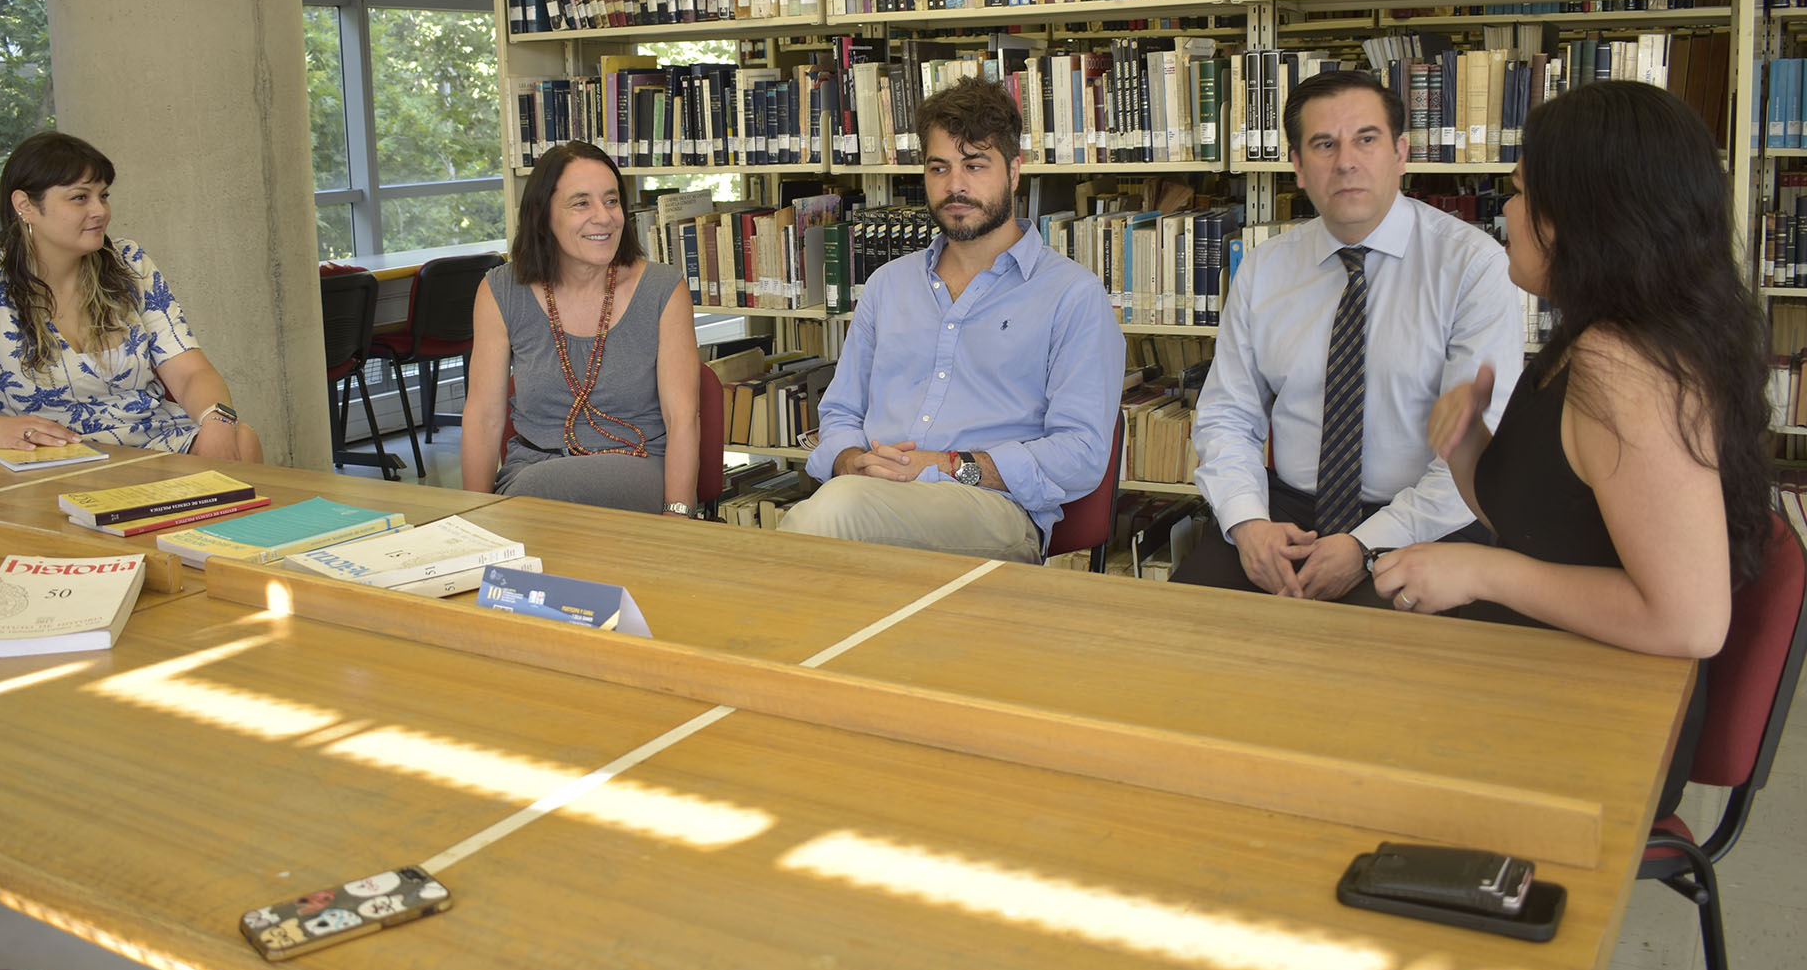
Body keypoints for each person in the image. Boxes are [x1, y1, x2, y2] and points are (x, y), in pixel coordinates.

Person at [1370, 81, 1771, 807]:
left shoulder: (1625, 368)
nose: (1507, 211)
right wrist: (1466, 445)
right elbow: (1544, 523)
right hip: (1543, 665)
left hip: (1601, 718)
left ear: (1578, 216)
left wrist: (1481, 574)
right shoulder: (1587, 336)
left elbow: (1690, 619)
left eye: (1522, 191)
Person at [1177, 69, 1522, 605]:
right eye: (1323, 144)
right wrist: (1248, 523)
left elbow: (1480, 453)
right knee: (1181, 636)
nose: (1346, 162)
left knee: (1372, 673)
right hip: (1288, 518)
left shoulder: (1471, 266)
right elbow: (1227, 415)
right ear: (1296, 166)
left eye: (1366, 139)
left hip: (1421, 524)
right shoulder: (1264, 268)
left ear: (1400, 152)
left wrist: (1366, 545)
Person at [779, 75, 1124, 562]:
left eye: (975, 166)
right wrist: (850, 459)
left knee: (830, 517)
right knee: (839, 512)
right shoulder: (887, 285)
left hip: (993, 510)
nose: (955, 185)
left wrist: (947, 466)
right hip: (870, 492)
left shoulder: (1072, 296)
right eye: (939, 168)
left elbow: (1082, 452)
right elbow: (841, 412)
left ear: (1015, 171)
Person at [0, 132, 261, 461]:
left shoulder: (130, 265)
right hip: (58, 459)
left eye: (103, 195)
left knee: (241, 439)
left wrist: (217, 420)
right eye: (80, 198)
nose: (100, 211)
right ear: (25, 205)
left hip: (155, 443)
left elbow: (191, 372)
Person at [462, 140, 700, 514]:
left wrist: (678, 515)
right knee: (530, 497)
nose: (604, 217)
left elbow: (683, 417)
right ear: (543, 215)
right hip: (533, 468)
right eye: (581, 203)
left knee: (530, 500)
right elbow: (483, 418)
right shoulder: (500, 290)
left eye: (611, 200)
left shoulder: (663, 290)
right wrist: (472, 520)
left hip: (635, 464)